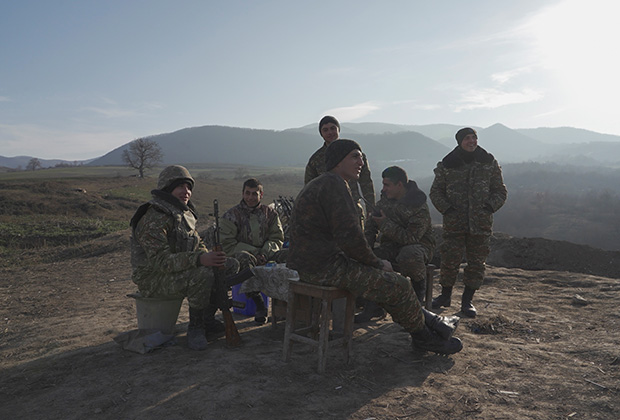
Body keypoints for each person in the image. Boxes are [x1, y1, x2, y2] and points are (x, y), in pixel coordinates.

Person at [287, 139, 463, 355]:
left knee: (390, 282)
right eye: (354, 156)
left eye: (361, 156)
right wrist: (377, 263)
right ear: (337, 161)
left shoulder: (325, 183)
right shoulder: (334, 185)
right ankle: (425, 338)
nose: (361, 161)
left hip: (315, 264)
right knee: (398, 284)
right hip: (323, 269)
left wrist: (372, 261)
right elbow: (351, 238)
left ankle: (434, 324)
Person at [129, 165, 239, 351]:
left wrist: (211, 256)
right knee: (202, 275)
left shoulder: (182, 214)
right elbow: (160, 262)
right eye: (180, 186)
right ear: (167, 188)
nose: (186, 191)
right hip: (153, 279)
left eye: (189, 187)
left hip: (174, 271)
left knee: (229, 265)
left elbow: (196, 244)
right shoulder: (154, 217)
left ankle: (208, 319)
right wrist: (199, 260)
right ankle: (196, 327)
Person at [430, 127, 507, 317]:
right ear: (459, 141)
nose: (471, 141)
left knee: (476, 263)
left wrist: (489, 208)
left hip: (480, 224)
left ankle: (467, 301)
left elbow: (500, 191)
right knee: (449, 260)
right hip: (454, 223)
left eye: (474, 138)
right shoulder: (448, 164)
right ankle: (445, 296)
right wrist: (447, 209)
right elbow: (436, 191)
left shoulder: (488, 162)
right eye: (467, 138)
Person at [356, 166, 437, 322]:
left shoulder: (418, 205)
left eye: (387, 185)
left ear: (399, 185)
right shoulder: (385, 201)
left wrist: (385, 224)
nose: (384, 189)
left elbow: (411, 238)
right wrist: (366, 250)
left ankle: (416, 305)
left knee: (409, 255)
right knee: (372, 258)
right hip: (392, 247)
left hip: (419, 247)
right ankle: (373, 307)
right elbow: (371, 228)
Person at [220, 178, 286, 323]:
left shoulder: (271, 214)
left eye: (254, 194)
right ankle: (259, 305)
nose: (250, 197)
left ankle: (284, 307)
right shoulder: (231, 215)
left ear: (261, 195)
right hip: (242, 257)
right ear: (242, 193)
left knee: (288, 256)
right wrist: (254, 253)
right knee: (245, 259)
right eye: (247, 193)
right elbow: (227, 244)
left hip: (267, 255)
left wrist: (264, 252)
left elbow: (277, 238)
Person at [305, 115, 375, 226]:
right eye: (325, 130)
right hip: (328, 213)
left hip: (353, 208)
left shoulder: (355, 154)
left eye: (333, 128)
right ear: (321, 133)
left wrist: (371, 207)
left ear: (338, 129)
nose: (330, 132)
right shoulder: (316, 159)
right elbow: (309, 188)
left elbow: (366, 182)